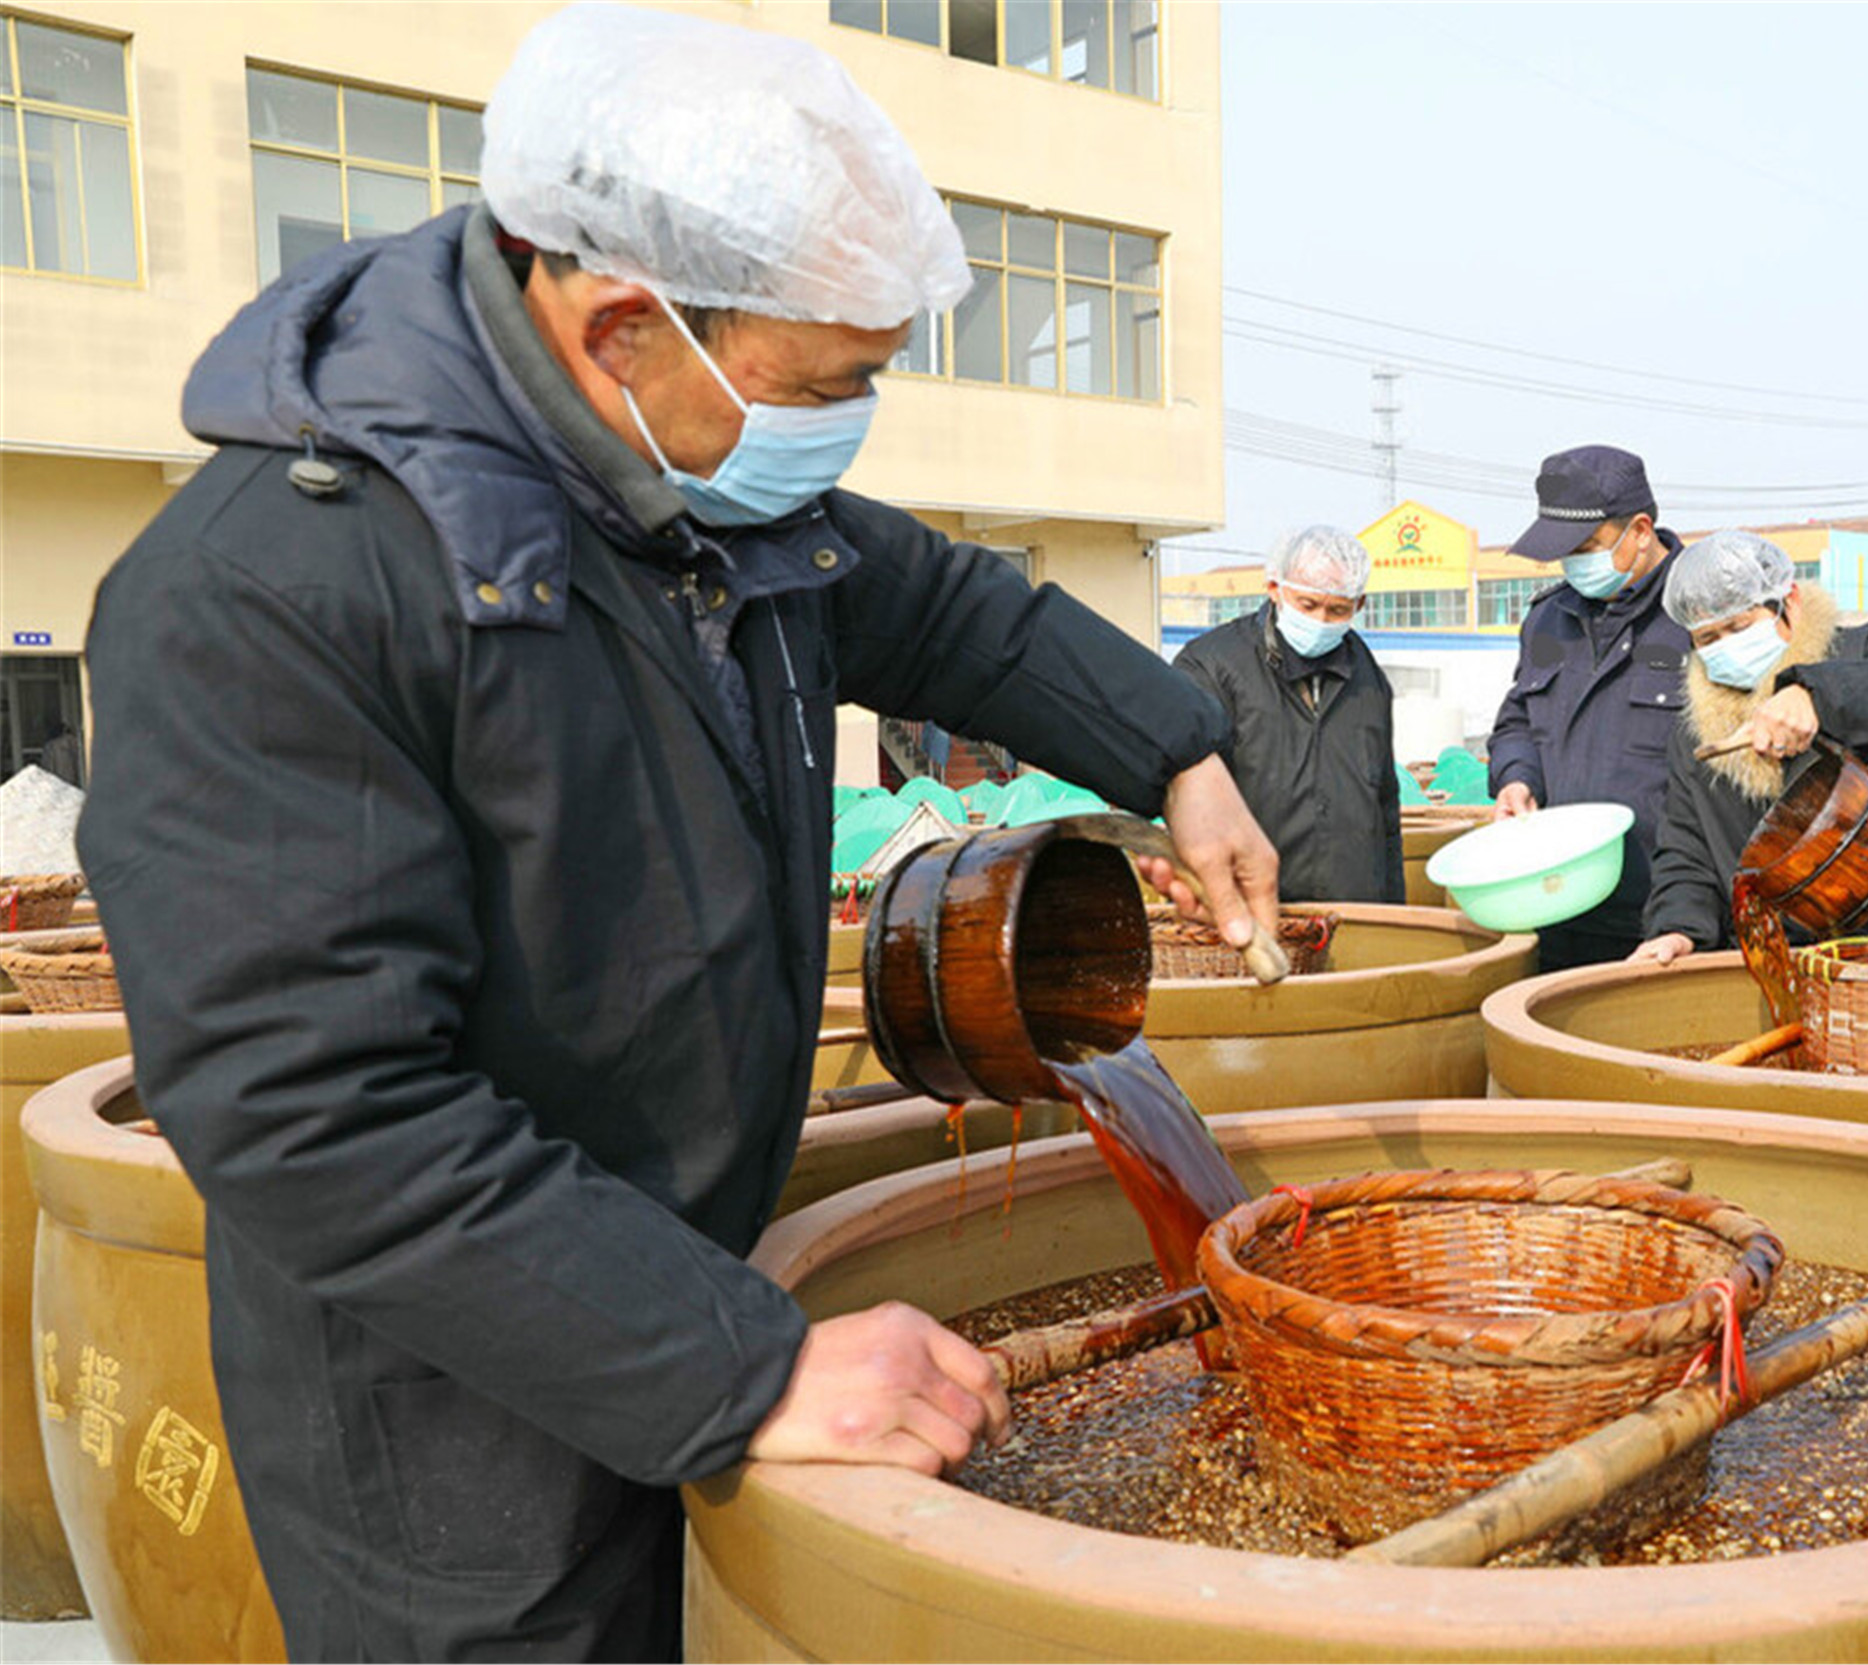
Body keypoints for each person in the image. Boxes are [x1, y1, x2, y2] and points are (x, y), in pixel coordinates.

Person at [74, 7, 1278, 1659]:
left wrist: (1182, 754)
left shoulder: (706, 505)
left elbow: (952, 613)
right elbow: (315, 1111)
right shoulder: (278, 591)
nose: (847, 425)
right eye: (827, 385)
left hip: (685, 1278)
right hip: (456, 1423)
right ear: (627, 327)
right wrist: (747, 1367)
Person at [1631, 530, 1868, 964]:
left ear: (1790, 603)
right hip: (1787, 965)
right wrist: (1676, 927)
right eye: (1708, 639)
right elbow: (1687, 850)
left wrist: (1816, 696)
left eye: (1739, 627)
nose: (1725, 646)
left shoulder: (1864, 651)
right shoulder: (1700, 734)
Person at [1486, 445, 1692, 968]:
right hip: (1559, 902)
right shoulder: (1550, 619)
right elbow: (1517, 721)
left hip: (1666, 917)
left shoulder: (1701, 615)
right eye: (1567, 552)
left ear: (1641, 530)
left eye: (1588, 546)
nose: (1577, 563)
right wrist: (1516, 778)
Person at [1173, 526, 1405, 903]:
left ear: (1359, 605)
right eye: (1307, 605)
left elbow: (1385, 805)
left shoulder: (1367, 678)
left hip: (1353, 906)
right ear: (1274, 589)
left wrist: (1396, 914)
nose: (1321, 621)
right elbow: (1189, 799)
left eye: (1337, 610)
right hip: (1255, 905)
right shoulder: (1212, 666)